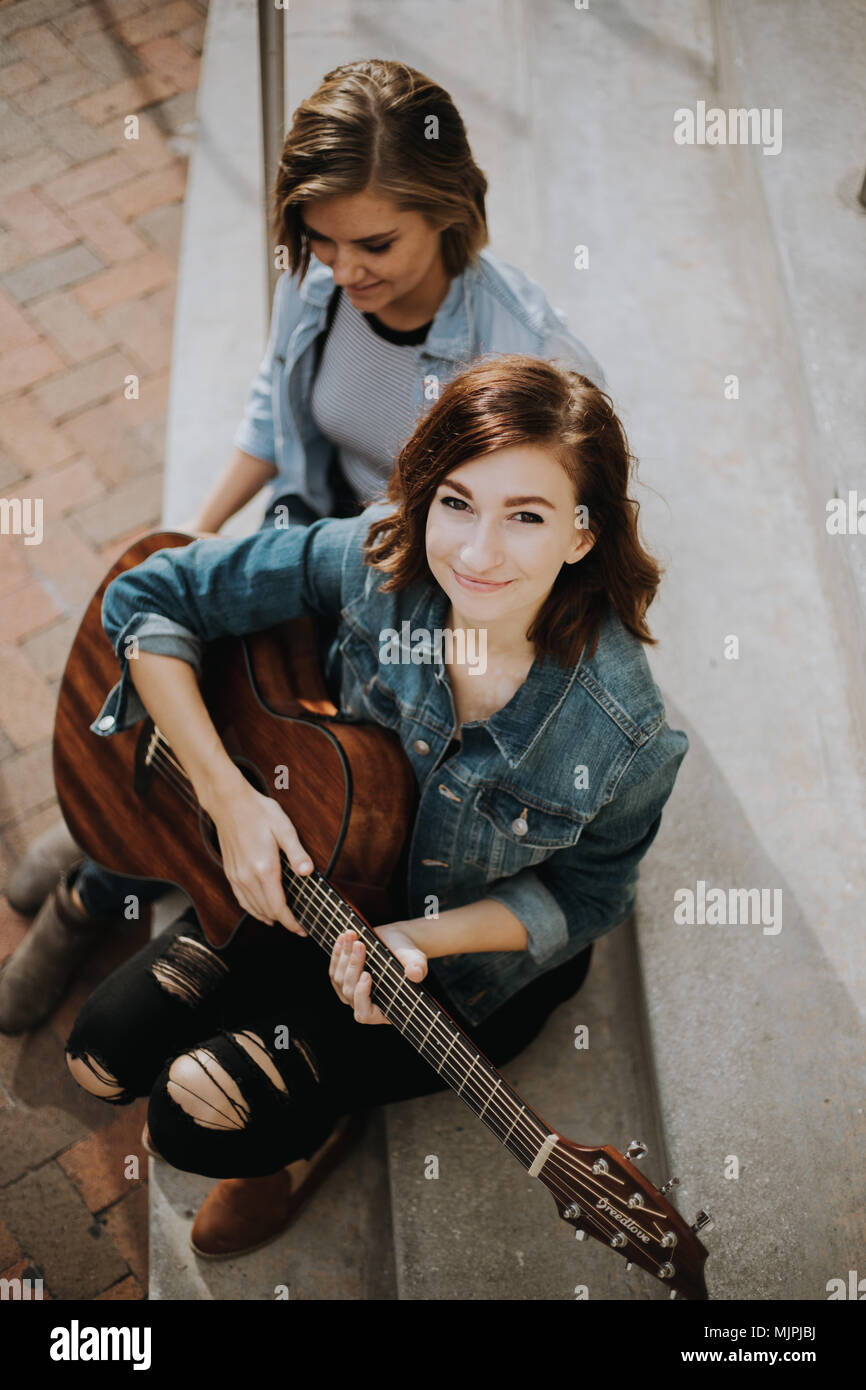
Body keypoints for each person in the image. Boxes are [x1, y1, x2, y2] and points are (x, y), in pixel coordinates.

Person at [0, 57, 604, 1034]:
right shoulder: (319, 281)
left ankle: (97, 881)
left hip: (414, 618)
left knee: (263, 752)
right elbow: (272, 405)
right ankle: (104, 853)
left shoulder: (523, 366)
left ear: (447, 210)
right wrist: (202, 533)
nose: (341, 269)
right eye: (317, 240)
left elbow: (560, 544)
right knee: (165, 632)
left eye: (373, 243)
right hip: (307, 549)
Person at [64, 354, 687, 1259]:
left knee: (197, 1112)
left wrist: (418, 942)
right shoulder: (381, 557)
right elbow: (148, 594)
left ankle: (295, 1141)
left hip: (458, 972)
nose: (476, 553)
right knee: (101, 1056)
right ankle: (295, 1077)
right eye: (458, 502)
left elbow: (592, 898)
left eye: (527, 517)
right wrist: (228, 796)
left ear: (583, 535)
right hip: (315, 862)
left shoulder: (624, 736)